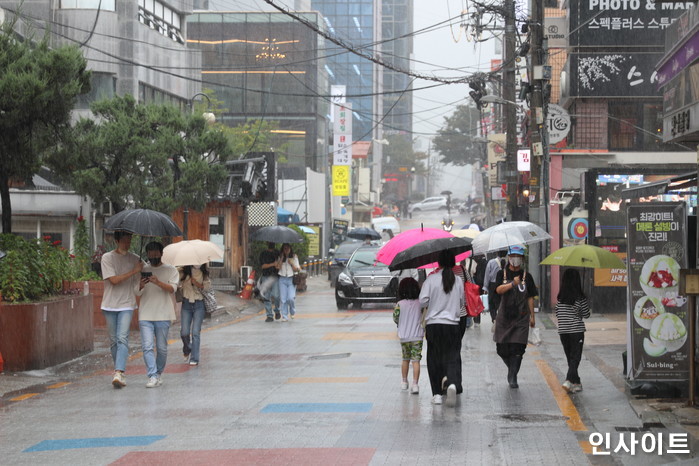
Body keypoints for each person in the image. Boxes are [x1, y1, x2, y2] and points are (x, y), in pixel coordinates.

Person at [419, 250, 464, 406]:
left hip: (434, 326)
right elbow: (462, 302)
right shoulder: (458, 280)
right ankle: (451, 383)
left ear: (438, 262)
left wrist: (433, 301)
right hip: (452, 325)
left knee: (434, 358)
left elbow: (422, 301)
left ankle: (437, 394)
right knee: (452, 356)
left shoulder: (431, 280)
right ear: (453, 262)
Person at [100, 231, 143, 389]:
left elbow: (140, 278)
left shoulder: (135, 259)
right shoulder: (107, 258)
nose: (128, 243)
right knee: (113, 341)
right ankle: (118, 371)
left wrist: (142, 277)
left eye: (129, 240)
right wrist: (134, 270)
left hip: (127, 304)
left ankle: (119, 372)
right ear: (117, 241)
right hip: (109, 304)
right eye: (124, 240)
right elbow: (114, 280)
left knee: (122, 338)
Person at [493, 245, 538, 389]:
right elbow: (498, 290)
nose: (516, 260)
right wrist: (512, 284)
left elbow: (530, 297)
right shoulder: (502, 274)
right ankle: (511, 368)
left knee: (518, 348)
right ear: (509, 258)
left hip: (521, 318)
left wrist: (532, 316)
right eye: (513, 257)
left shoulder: (527, 276)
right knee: (502, 348)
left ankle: (513, 376)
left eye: (519, 257)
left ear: (522, 259)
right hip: (504, 317)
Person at [136, 242, 179, 388]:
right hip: (145, 314)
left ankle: (159, 373)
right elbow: (136, 292)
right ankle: (152, 375)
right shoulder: (142, 269)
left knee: (161, 348)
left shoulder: (171, 270)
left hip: (163, 314)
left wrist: (158, 282)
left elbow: (172, 289)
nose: (153, 256)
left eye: (155, 253)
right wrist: (141, 285)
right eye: (150, 253)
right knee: (147, 346)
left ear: (161, 253)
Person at [555, 269, 590, 393]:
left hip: (563, 332)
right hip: (576, 332)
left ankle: (577, 382)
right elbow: (586, 314)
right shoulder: (580, 298)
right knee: (575, 358)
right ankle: (569, 380)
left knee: (571, 358)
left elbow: (558, 314)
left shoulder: (560, 299)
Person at [393, 277, 424, 395]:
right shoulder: (419, 303)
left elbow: (395, 318)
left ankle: (404, 382)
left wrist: (400, 322)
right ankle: (415, 384)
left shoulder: (399, 304)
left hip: (404, 336)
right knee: (416, 361)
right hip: (417, 336)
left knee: (405, 359)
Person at [179, 263, 212, 366]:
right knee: (184, 332)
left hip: (199, 304)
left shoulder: (204, 273)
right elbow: (175, 280)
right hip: (186, 304)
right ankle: (187, 348)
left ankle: (194, 358)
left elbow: (207, 288)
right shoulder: (183, 271)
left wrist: (196, 283)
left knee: (195, 332)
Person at [278, 243, 301, 321]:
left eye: (288, 248)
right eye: (285, 248)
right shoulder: (281, 257)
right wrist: (281, 259)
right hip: (282, 279)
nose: (286, 250)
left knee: (290, 298)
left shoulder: (294, 257)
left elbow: (297, 269)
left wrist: (291, 263)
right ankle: (284, 316)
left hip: (291, 279)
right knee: (283, 299)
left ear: (290, 249)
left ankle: (292, 311)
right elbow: (278, 268)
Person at [259, 242, 281, 322]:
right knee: (266, 296)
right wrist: (272, 264)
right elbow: (263, 266)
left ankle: (277, 310)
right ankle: (269, 315)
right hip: (266, 277)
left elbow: (280, 264)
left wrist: (278, 265)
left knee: (276, 295)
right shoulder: (263, 254)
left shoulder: (277, 253)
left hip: (275, 276)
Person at [484, 250, 508, 326]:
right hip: (503, 284)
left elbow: (487, 275)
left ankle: (494, 318)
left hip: (492, 285)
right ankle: (502, 318)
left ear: (497, 253)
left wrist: (485, 287)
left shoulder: (491, 262)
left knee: (492, 303)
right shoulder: (508, 262)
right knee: (502, 301)